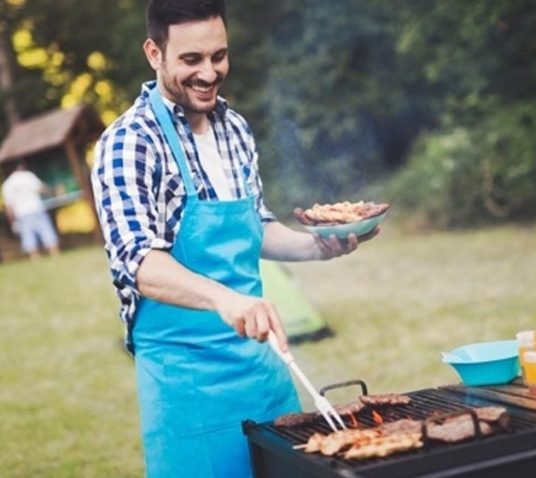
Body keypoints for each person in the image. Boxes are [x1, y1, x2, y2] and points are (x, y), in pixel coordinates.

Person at [90, 1, 379, 477]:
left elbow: (257, 226)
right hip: (189, 389)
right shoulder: (129, 143)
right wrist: (228, 301)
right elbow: (139, 262)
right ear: (153, 53)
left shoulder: (235, 130)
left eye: (218, 56)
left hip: (264, 373)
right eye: (191, 60)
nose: (209, 72)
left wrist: (322, 245)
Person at [1, 161, 60, 259]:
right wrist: (53, 191)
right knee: (46, 231)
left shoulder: (8, 184)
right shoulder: (28, 176)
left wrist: (12, 222)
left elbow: (9, 206)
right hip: (36, 208)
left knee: (28, 236)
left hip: (21, 213)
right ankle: (55, 254)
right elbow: (41, 188)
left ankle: (35, 258)